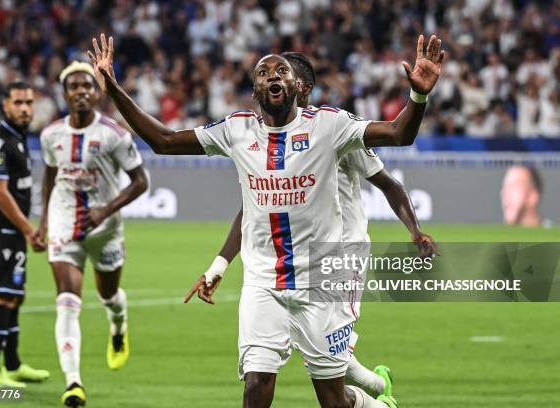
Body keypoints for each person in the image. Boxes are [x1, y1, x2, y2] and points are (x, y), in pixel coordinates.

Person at [89, 32, 444, 408]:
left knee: (332, 401)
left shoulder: (330, 125)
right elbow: (163, 141)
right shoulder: (236, 130)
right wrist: (113, 88)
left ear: (297, 86)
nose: (272, 75)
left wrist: (418, 95)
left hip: (324, 279)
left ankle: (374, 402)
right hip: (264, 284)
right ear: (255, 89)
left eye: (281, 71)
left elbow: (397, 133)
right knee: (256, 385)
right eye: (263, 72)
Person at [184, 51, 440, 399]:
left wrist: (414, 229)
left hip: (339, 257)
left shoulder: (335, 133)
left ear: (303, 87)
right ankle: (379, 387)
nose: (280, 81)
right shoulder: (263, 141)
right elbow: (251, 210)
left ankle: (374, 393)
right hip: (283, 265)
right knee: (324, 361)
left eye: (289, 76)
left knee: (330, 364)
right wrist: (219, 265)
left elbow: (391, 183)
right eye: (267, 74)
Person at [37, 61, 148, 407]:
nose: (82, 91)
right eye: (75, 86)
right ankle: (73, 383)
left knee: (108, 295)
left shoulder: (114, 134)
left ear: (96, 91)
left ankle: (118, 326)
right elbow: (50, 176)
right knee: (67, 304)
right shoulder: (50, 135)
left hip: (105, 229)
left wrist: (105, 210)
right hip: (63, 223)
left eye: (88, 85)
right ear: (65, 93)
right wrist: (43, 221)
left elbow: (142, 182)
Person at [0, 81, 49, 387]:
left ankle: (14, 364)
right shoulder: (0, 143)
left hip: (12, 231)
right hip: (1, 231)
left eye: (29, 103)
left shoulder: (19, 139)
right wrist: (29, 230)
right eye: (18, 102)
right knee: (4, 296)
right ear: (6, 105)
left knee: (16, 297)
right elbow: (0, 193)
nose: (25, 108)